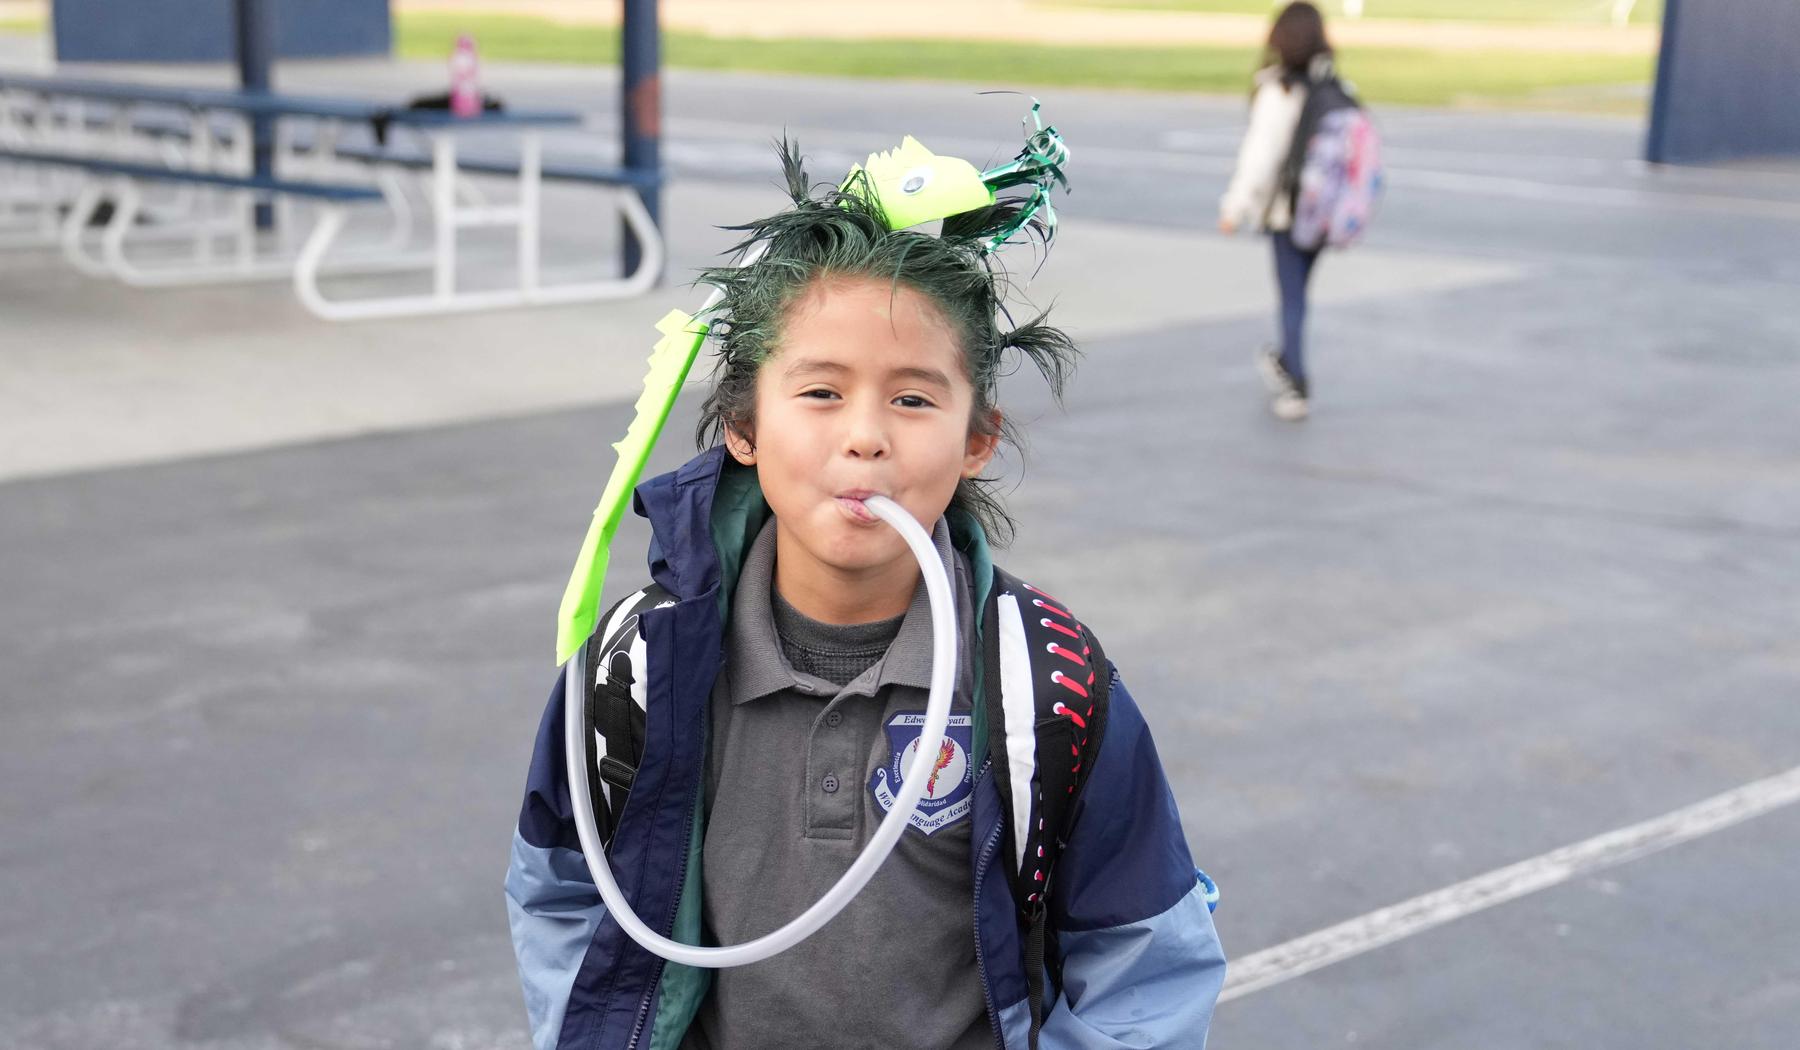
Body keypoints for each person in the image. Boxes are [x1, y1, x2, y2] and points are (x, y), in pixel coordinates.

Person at [504, 144, 1227, 1049]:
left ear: (977, 439)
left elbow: (1144, 964)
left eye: (915, 401)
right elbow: (566, 897)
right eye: (818, 392)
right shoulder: (638, 669)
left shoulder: (1044, 685)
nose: (865, 438)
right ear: (743, 426)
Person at [1219, 0, 1337, 421]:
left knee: (1292, 297)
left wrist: (1235, 207)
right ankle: (1286, 360)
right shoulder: (1336, 88)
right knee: (1298, 293)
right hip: (1326, 213)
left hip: (1288, 213)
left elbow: (1259, 159)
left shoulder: (1277, 90)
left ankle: (1295, 381)